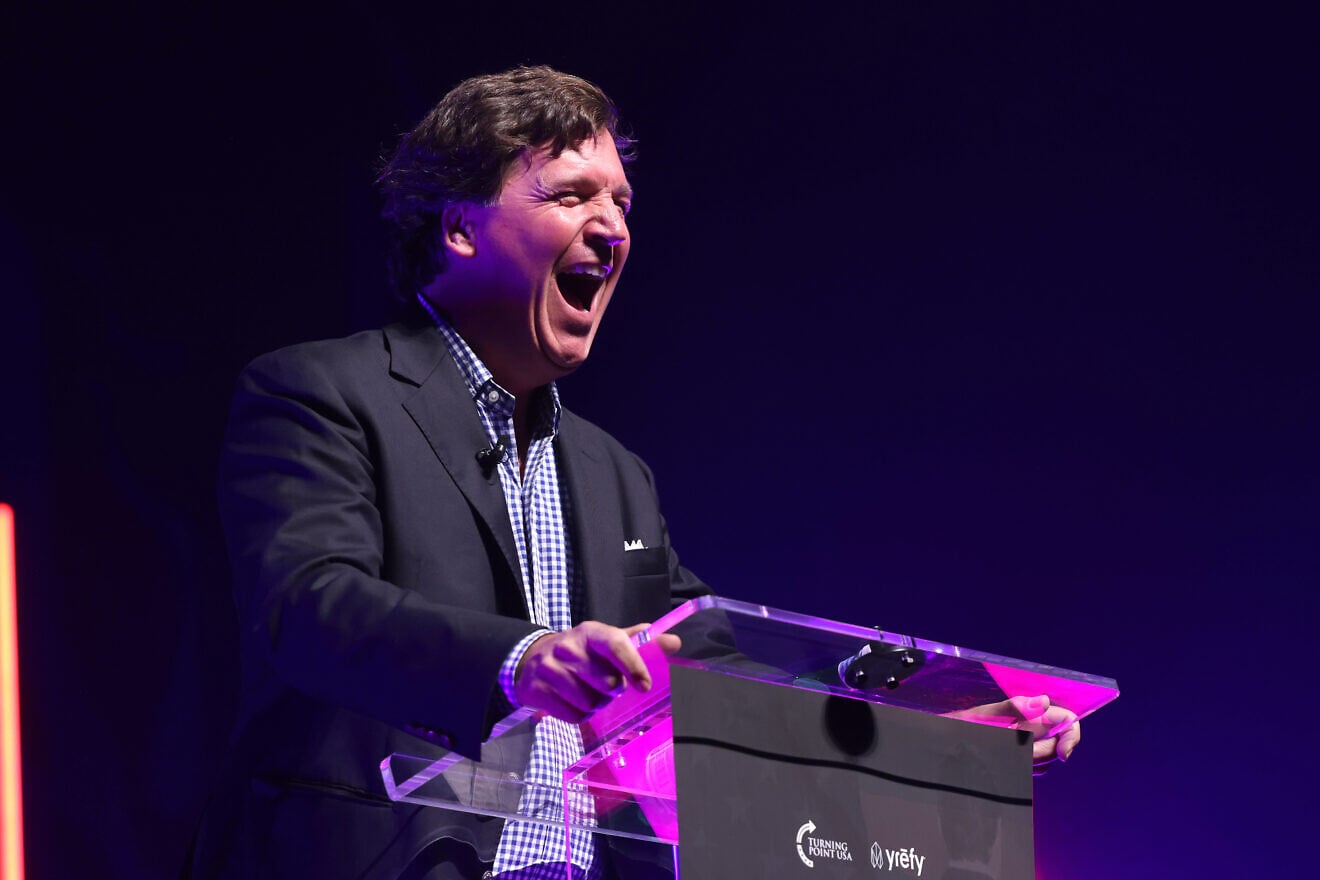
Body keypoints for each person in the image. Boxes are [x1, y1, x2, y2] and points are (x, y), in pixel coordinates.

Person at [188, 66, 708, 879]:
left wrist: (921, 713)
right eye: (572, 196)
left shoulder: (617, 474)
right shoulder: (318, 394)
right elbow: (309, 609)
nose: (613, 229)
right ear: (459, 228)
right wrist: (521, 660)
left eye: (622, 202)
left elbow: (697, 644)